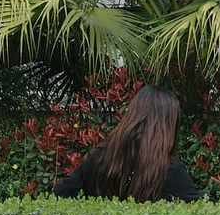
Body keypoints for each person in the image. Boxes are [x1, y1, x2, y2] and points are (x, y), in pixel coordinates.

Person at [54, 84, 206, 202]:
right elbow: (202, 206)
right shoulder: (168, 169)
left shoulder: (100, 157)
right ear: (168, 127)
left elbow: (62, 192)